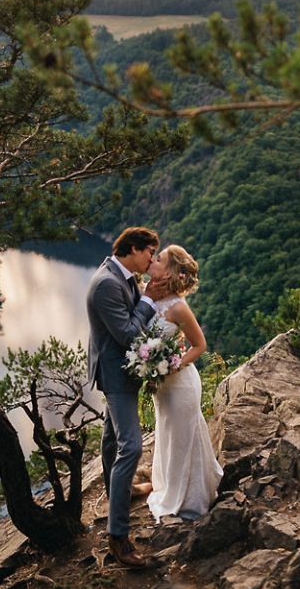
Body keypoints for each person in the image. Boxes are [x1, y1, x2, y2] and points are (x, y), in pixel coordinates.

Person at [86, 226, 166, 568]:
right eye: (150, 252)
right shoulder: (107, 284)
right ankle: (118, 538)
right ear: (132, 249)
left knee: (110, 438)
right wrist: (148, 298)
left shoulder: (123, 276)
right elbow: (127, 333)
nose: (152, 259)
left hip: (120, 368)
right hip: (117, 373)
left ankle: (120, 491)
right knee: (131, 446)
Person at [140, 245, 223, 521]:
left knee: (183, 439)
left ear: (170, 270)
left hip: (181, 384)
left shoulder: (178, 307)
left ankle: (191, 500)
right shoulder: (147, 293)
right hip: (161, 386)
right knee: (168, 434)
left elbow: (199, 345)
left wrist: (173, 364)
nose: (153, 259)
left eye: (159, 258)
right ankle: (169, 488)